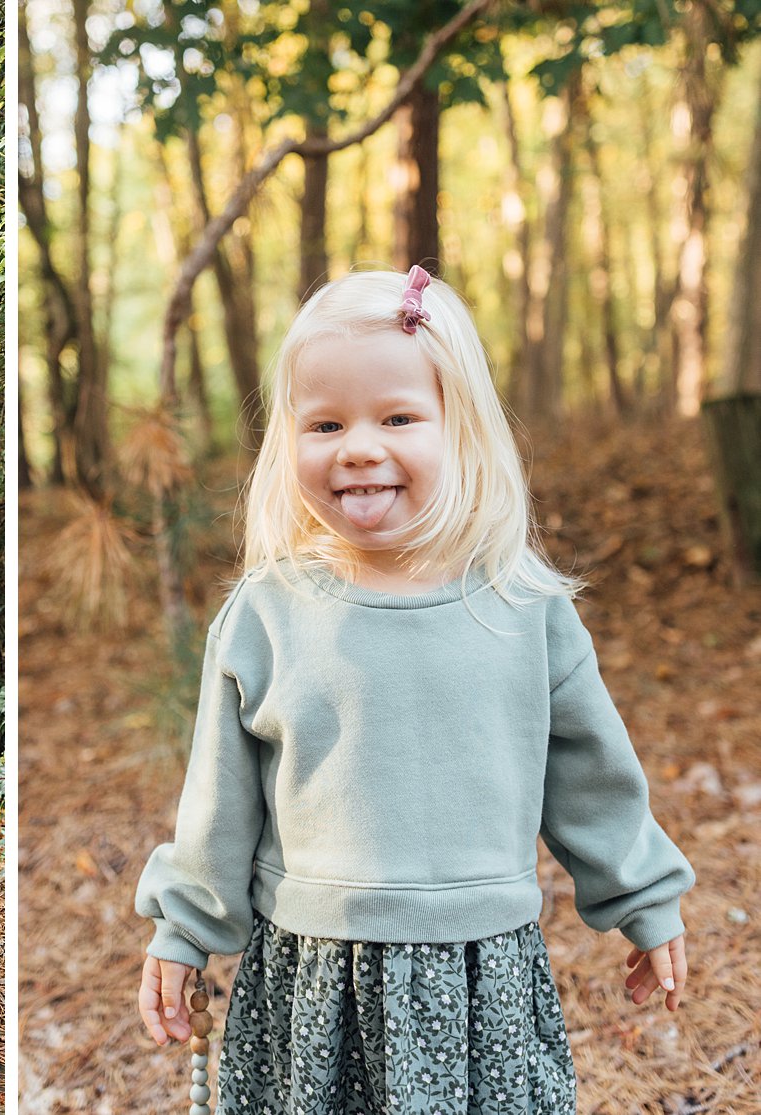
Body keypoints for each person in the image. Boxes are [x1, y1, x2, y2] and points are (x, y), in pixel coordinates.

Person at [135, 267, 695, 1112]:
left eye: (397, 417)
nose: (358, 445)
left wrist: (645, 900)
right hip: (315, 979)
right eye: (325, 423)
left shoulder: (520, 607)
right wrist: (184, 928)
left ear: (460, 429)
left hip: (480, 978)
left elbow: (591, 778)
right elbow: (218, 801)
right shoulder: (269, 612)